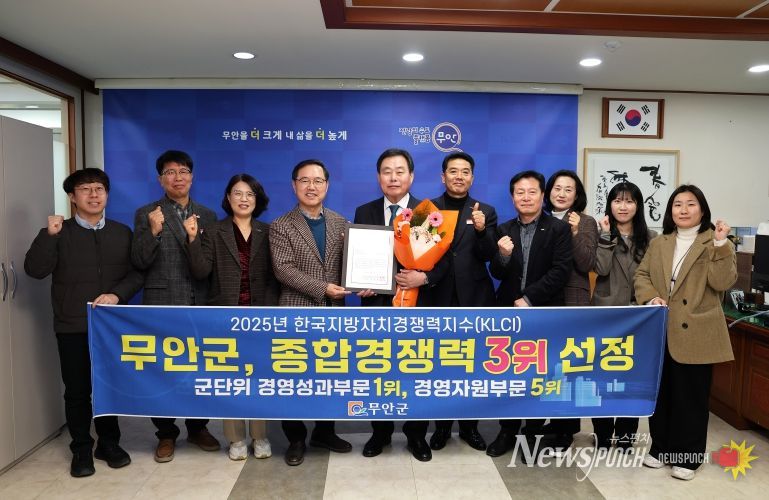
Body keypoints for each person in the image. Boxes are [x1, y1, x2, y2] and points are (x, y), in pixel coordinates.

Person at [24, 168, 143, 477]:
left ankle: (109, 443)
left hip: (112, 326)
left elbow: (137, 274)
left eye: (99, 188)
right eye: (85, 189)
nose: (93, 194)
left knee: (108, 387)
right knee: (77, 390)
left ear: (107, 194)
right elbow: (35, 270)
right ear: (72, 197)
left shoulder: (121, 232)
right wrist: (49, 236)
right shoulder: (57, 232)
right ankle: (81, 448)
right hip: (72, 325)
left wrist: (117, 295)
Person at [634, 184, 736, 481]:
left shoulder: (714, 241)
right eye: (678, 204)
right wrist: (651, 297)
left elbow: (722, 282)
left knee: (691, 397)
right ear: (670, 211)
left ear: (702, 210)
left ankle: (688, 457)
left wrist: (721, 244)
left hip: (697, 330)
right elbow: (641, 275)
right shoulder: (660, 242)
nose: (683, 209)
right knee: (662, 394)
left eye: (691, 204)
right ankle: (660, 449)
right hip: (661, 329)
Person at [131, 150, 220, 462]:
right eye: (170, 172)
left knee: (199, 369)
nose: (177, 177)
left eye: (183, 171)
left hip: (200, 302)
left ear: (192, 177)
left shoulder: (208, 215)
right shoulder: (147, 213)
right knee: (163, 370)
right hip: (162, 301)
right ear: (160, 179)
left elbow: (209, 264)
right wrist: (154, 232)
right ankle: (166, 433)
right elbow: (139, 260)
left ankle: (198, 427)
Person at [186, 173, 279, 461]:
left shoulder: (268, 231)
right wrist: (192, 239)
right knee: (231, 380)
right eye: (238, 193)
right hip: (225, 317)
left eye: (250, 194)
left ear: (257, 200)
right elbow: (201, 271)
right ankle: (236, 439)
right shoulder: (214, 231)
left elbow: (275, 277)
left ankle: (260, 436)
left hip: (260, 317)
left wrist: (271, 312)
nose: (244, 199)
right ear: (228, 198)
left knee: (260, 379)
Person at [270, 159, 352, 466]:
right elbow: (283, 270)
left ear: (327, 185)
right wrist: (323, 288)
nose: (311, 186)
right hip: (297, 311)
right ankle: (295, 438)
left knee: (330, 376)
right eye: (304, 180)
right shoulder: (281, 225)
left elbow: (351, 265)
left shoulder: (341, 223)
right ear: (294, 186)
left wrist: (364, 283)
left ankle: (325, 432)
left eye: (318, 180)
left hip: (334, 313)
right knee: (294, 378)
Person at [353, 148, 433, 461]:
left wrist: (423, 278)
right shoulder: (364, 211)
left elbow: (438, 262)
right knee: (379, 370)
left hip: (416, 307)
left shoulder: (426, 212)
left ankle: (416, 435)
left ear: (411, 176)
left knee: (416, 369)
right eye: (387, 171)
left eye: (400, 171)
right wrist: (361, 281)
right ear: (378, 177)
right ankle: (380, 433)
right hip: (376, 306)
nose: (393, 177)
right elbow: (361, 257)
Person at [486, 170, 573, 457]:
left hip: (543, 313)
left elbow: (561, 271)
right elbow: (497, 272)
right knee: (509, 374)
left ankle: (533, 432)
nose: (526, 197)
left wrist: (529, 298)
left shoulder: (558, 229)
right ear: (512, 197)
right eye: (519, 192)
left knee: (540, 376)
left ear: (542, 195)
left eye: (532, 191)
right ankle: (507, 430)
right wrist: (503, 256)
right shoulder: (504, 229)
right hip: (508, 313)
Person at [427, 152, 497, 453]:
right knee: (440, 366)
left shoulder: (486, 211)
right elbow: (419, 253)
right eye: (453, 171)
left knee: (472, 367)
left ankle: (470, 427)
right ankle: (442, 427)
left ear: (472, 177)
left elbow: (489, 256)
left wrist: (482, 231)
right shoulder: (427, 209)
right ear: (443, 176)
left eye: (465, 171)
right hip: (437, 296)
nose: (459, 176)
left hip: (475, 299)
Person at [590, 182, 656, 451]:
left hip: (640, 316)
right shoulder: (600, 233)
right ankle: (603, 434)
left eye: (629, 201)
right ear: (610, 205)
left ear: (638, 206)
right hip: (606, 314)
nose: (623, 206)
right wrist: (606, 236)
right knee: (602, 377)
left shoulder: (651, 238)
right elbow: (601, 269)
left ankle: (627, 434)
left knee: (633, 377)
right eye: (617, 201)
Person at [540, 170, 599, 453]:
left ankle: (567, 428)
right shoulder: (541, 219)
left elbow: (587, 263)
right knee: (547, 363)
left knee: (569, 364)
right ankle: (552, 421)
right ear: (548, 191)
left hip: (572, 299)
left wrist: (574, 233)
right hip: (545, 300)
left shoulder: (585, 222)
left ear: (577, 195)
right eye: (557, 188)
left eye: (568, 189)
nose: (561, 194)